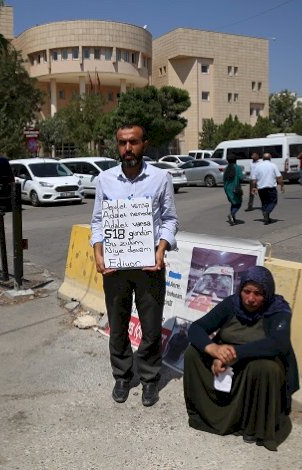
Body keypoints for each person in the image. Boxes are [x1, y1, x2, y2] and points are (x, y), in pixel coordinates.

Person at [90, 123, 179, 407]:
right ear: (117, 146)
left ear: (144, 144)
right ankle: (123, 375)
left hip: (149, 266)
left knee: (151, 327)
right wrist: (98, 253)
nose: (127, 148)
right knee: (118, 326)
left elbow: (170, 219)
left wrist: (161, 250)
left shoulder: (161, 177)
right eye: (122, 143)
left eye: (133, 142)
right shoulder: (104, 180)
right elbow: (98, 222)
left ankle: (150, 379)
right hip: (115, 268)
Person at [183, 266, 299, 451]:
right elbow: (196, 328)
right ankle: (206, 414)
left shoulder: (278, 310)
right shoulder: (231, 304)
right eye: (246, 292)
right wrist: (213, 349)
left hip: (258, 360)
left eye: (258, 294)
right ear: (240, 290)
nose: (251, 299)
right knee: (193, 353)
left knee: (263, 367)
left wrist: (233, 355)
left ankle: (253, 427)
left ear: (267, 293)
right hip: (226, 357)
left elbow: (278, 344)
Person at [251, 153, 284, 225]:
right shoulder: (273, 165)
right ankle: (267, 212)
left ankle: (267, 219)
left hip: (261, 188)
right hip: (271, 187)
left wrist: (254, 187)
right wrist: (281, 186)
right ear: (270, 158)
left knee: (264, 203)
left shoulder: (258, 166)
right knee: (273, 202)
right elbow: (279, 177)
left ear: (262, 158)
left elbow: (254, 179)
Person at [223, 157, 244, 225]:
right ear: (236, 160)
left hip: (227, 188)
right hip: (235, 189)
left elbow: (223, 179)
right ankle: (232, 214)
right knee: (238, 203)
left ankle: (233, 218)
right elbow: (241, 178)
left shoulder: (226, 168)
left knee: (233, 203)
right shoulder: (238, 168)